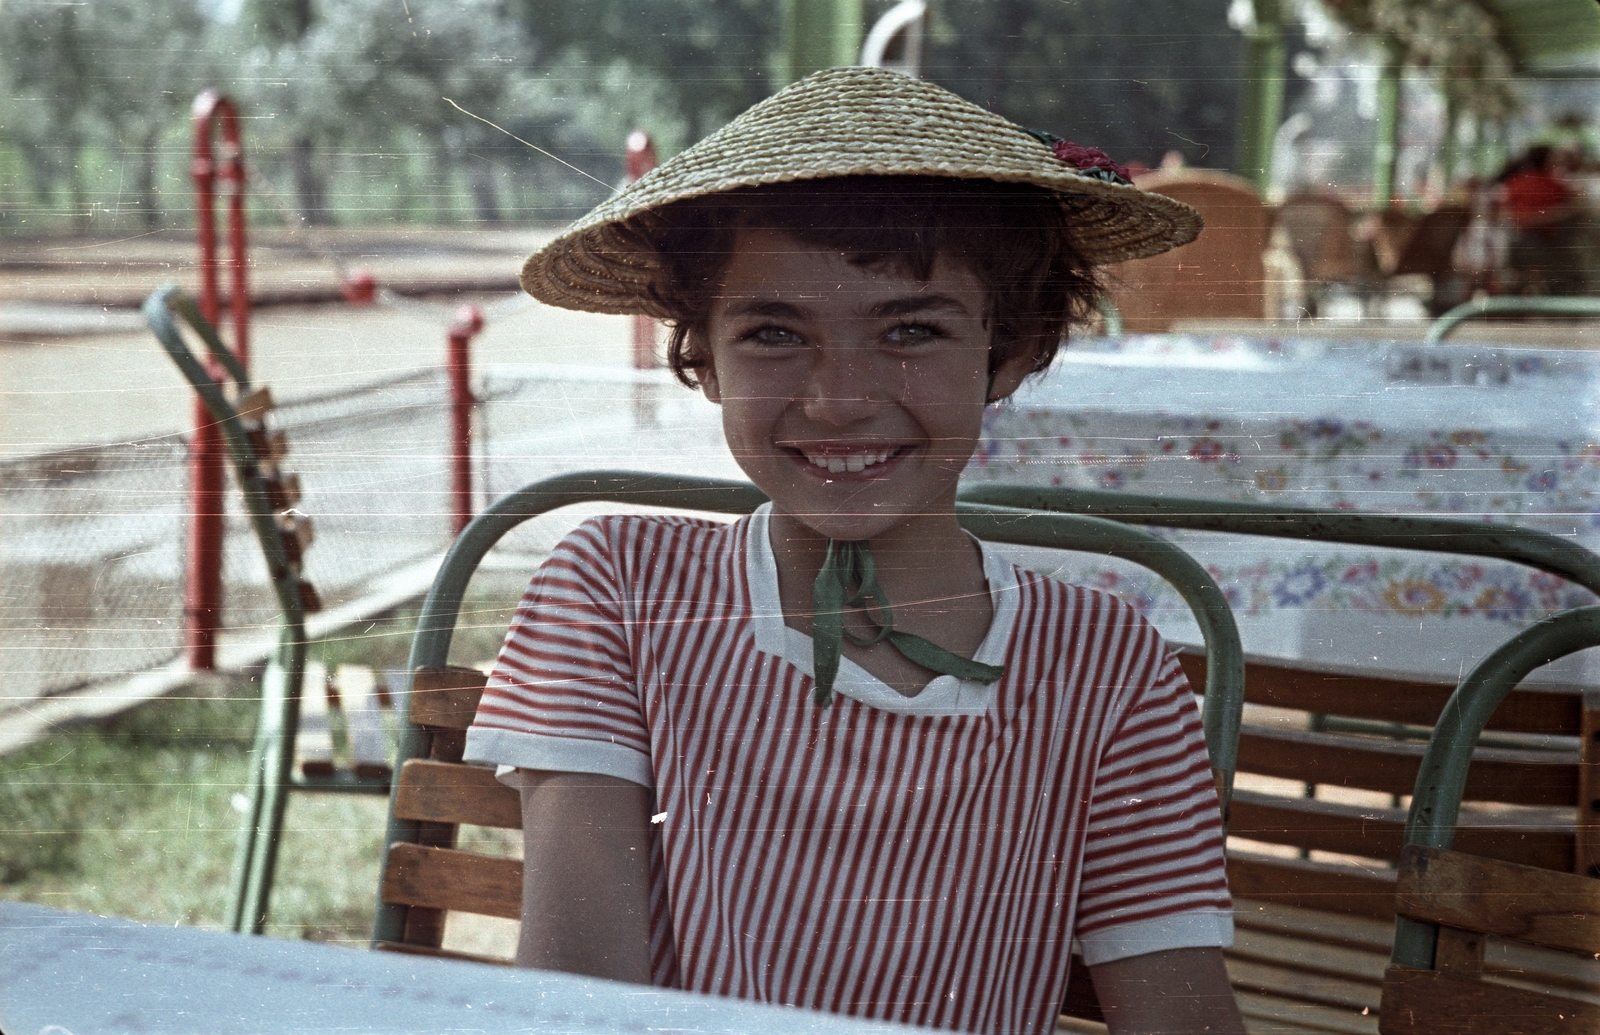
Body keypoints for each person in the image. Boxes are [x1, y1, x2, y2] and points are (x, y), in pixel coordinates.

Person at [463, 66, 1242, 1035]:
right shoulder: (617, 592)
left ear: (1012, 349)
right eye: (774, 333)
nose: (838, 399)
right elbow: (577, 1007)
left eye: (911, 330)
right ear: (701, 353)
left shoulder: (1107, 667)